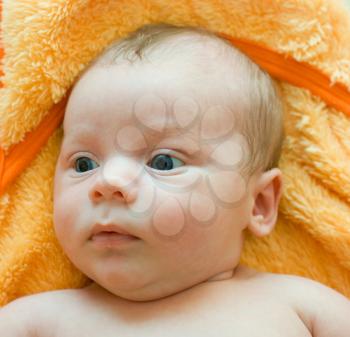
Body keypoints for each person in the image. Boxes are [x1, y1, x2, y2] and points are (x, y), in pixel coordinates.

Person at [1, 23, 349, 337]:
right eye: (83, 163)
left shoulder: (299, 305)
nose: (108, 182)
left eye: (163, 162)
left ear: (258, 203)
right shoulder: (37, 321)